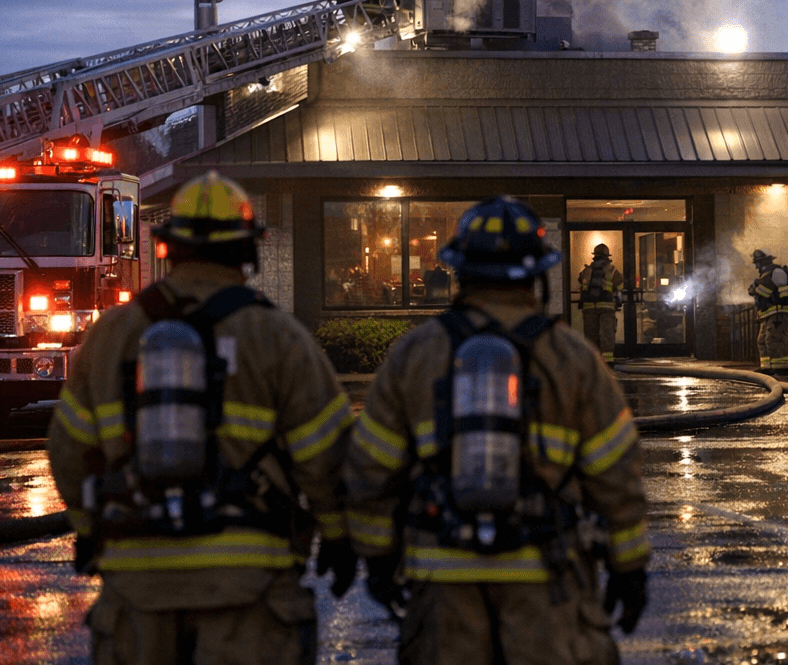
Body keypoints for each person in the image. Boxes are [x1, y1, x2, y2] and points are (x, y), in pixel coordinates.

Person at [47, 170, 357, 665]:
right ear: (249, 251)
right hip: (248, 589)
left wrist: (92, 530)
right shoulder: (279, 338)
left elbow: (67, 452)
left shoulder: (111, 335)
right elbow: (328, 456)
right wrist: (340, 537)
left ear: (169, 247)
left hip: (137, 582)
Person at [344, 196, 649, 665]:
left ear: (459, 273)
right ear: (536, 276)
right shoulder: (572, 357)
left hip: (442, 583)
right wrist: (629, 568)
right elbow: (617, 474)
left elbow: (369, 470)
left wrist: (377, 559)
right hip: (548, 582)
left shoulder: (415, 353)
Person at [747, 249, 788, 376]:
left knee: (774, 339)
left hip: (779, 312)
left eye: (757, 262)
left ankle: (782, 368)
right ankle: (767, 367)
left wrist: (754, 289)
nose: (756, 266)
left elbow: (766, 292)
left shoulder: (776, 272)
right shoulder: (766, 274)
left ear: (765, 261)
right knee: (762, 340)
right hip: (769, 313)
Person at [577, 243, 624, 364]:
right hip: (606, 307)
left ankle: (593, 361)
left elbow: (581, 282)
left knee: (591, 334)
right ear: (607, 256)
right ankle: (607, 361)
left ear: (594, 256)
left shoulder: (586, 270)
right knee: (606, 333)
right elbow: (620, 285)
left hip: (588, 307)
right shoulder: (611, 270)